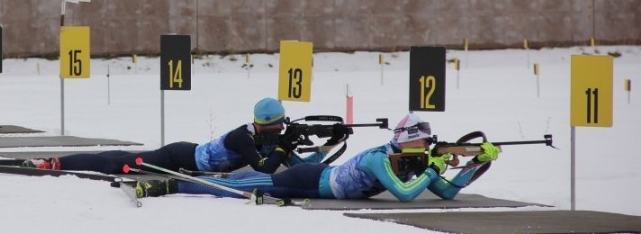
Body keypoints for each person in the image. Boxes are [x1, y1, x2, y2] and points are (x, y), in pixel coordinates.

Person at [135, 113, 501, 201]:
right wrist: (434, 167)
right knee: (237, 186)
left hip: (317, 182)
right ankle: (170, 184)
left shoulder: (414, 163)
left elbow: (449, 192)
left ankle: (178, 180)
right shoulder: (378, 158)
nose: (426, 151)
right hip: (308, 180)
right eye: (422, 145)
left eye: (428, 146)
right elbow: (405, 194)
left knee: (239, 183)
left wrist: (477, 162)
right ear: (406, 143)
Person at [23, 97, 324, 175]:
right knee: (116, 164)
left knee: (118, 158)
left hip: (186, 153)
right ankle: (56, 163)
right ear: (269, 126)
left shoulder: (264, 137)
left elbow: (290, 163)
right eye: (279, 128)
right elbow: (264, 167)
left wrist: (321, 157)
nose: (283, 131)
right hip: (177, 156)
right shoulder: (242, 138)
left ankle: (56, 161)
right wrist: (283, 149)